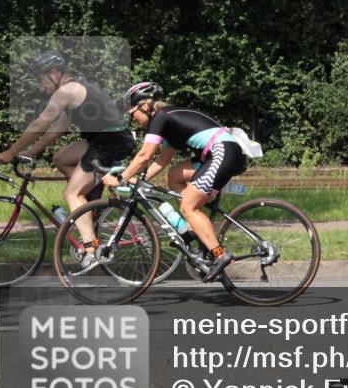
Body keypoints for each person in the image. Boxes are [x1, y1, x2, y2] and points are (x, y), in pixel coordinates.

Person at [0, 51, 135, 271]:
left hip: (108, 142)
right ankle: (90, 200)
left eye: (41, 79)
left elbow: (40, 125)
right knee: (60, 158)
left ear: (54, 73)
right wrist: (31, 153)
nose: (41, 86)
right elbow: (54, 132)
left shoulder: (67, 91)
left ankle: (90, 250)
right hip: (103, 139)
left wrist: (11, 152)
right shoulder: (75, 91)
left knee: (71, 193)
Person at [101, 82, 247, 281]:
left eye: (132, 112)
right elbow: (163, 159)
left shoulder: (160, 118)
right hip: (221, 153)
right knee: (174, 175)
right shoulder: (168, 122)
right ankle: (193, 230)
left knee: (189, 207)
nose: (132, 118)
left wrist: (120, 179)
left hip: (221, 153)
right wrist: (136, 180)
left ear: (145, 105)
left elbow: (145, 155)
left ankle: (220, 255)